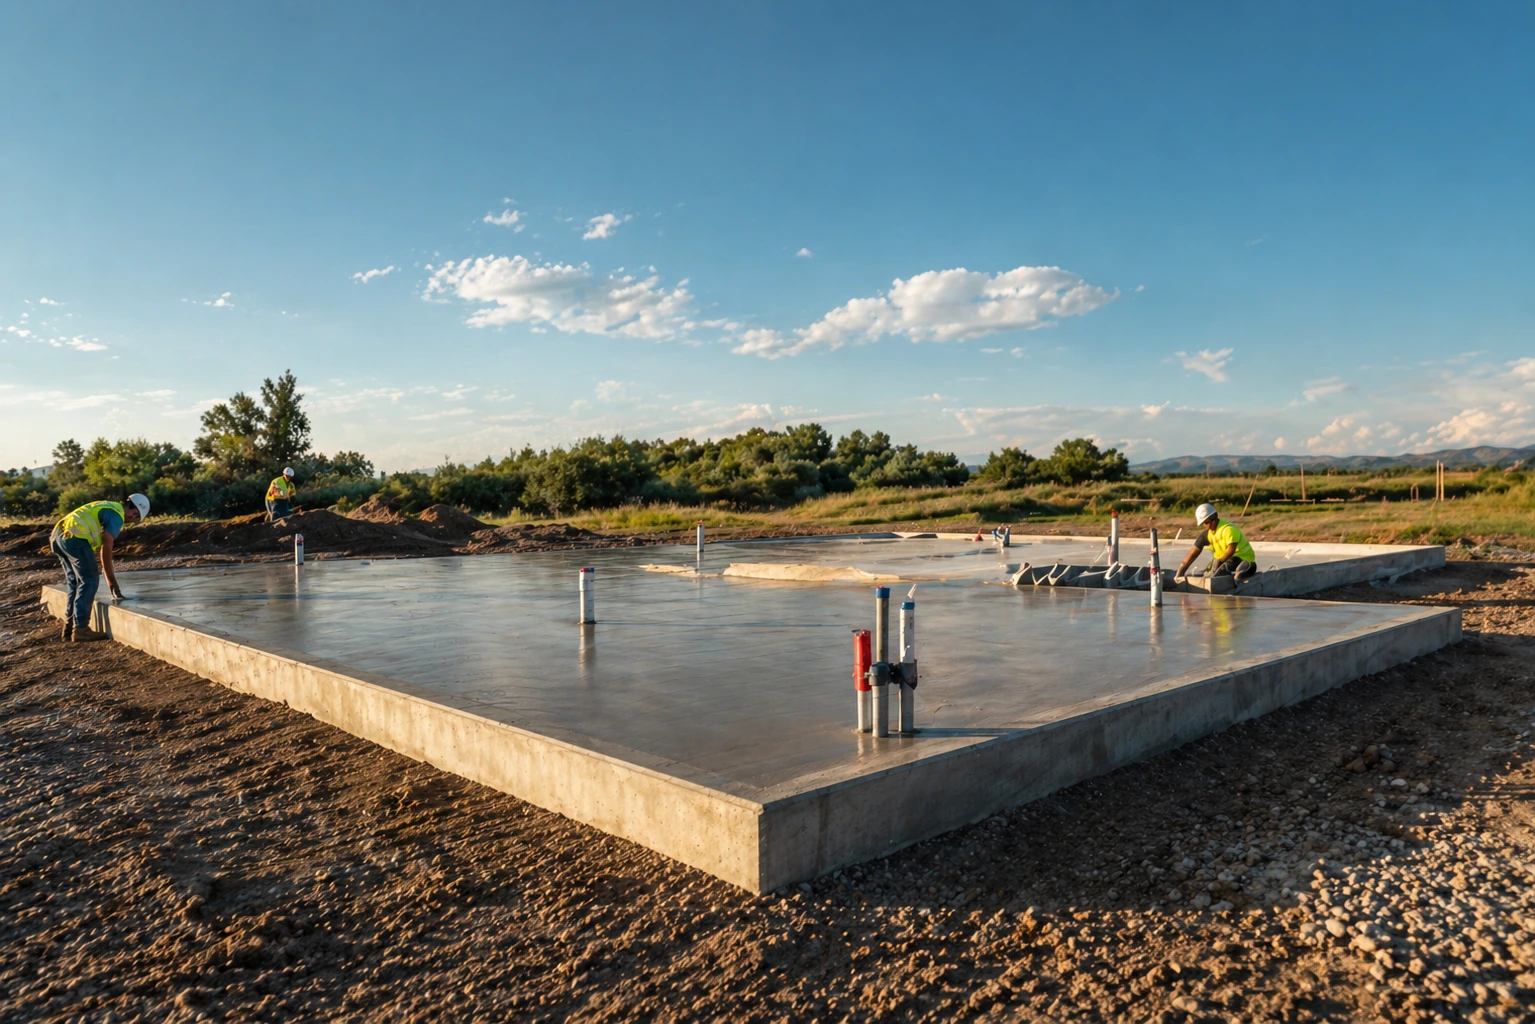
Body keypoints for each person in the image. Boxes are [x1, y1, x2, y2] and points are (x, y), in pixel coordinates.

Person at [52, 493, 150, 642]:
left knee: (75, 582)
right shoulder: (116, 515)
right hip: (75, 537)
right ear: (133, 507)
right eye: (135, 515)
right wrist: (111, 582)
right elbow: (106, 549)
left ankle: (69, 627)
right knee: (90, 579)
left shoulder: (106, 505)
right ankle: (81, 629)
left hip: (58, 535)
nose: (131, 519)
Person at [1174, 502, 1257, 585]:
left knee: (1223, 570)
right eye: (1205, 523)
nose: (1208, 525)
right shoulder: (1207, 535)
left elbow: (1231, 550)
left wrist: (1219, 561)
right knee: (1206, 573)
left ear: (1215, 517)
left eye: (1209, 522)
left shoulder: (1228, 529)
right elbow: (1193, 553)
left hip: (1242, 560)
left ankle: (1239, 580)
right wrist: (1181, 571)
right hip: (1222, 562)